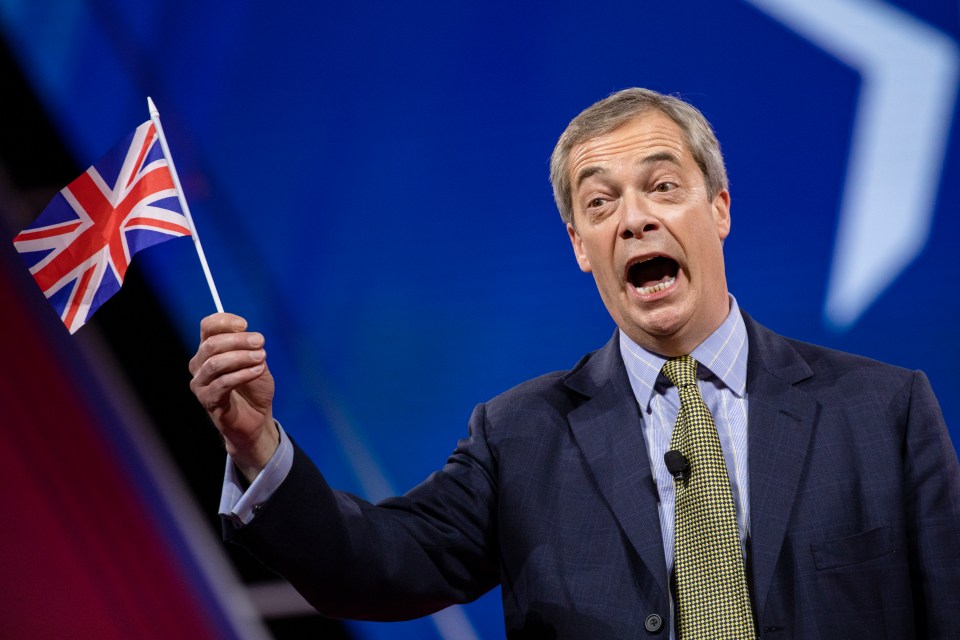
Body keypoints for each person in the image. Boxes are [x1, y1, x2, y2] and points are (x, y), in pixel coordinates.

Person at [189, 88, 960, 639]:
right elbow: (376, 566)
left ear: (719, 208)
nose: (633, 218)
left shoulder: (883, 412)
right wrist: (256, 443)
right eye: (599, 204)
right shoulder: (519, 435)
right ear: (578, 248)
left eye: (662, 186)